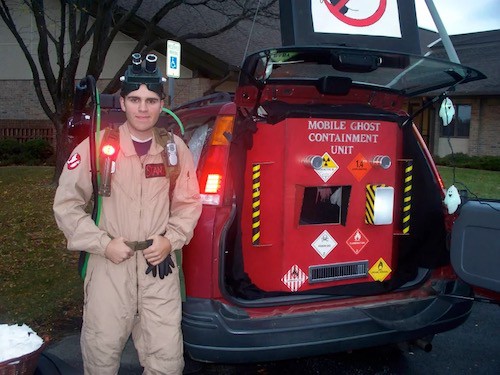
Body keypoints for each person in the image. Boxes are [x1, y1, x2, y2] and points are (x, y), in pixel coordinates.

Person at [53, 53, 202, 374]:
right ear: (122, 103)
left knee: (166, 359)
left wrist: (170, 240)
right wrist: (101, 243)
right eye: (135, 99)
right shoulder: (95, 147)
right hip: (109, 268)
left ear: (162, 104)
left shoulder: (174, 150)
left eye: (151, 100)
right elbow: (66, 205)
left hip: (158, 270)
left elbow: (189, 204)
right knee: (100, 354)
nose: (143, 107)